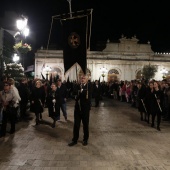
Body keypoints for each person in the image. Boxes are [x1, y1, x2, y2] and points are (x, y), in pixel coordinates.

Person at [68, 75, 92, 146]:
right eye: (81, 78)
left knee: (85, 124)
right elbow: (72, 94)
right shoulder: (77, 86)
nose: (82, 79)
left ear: (87, 79)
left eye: (84, 78)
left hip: (85, 109)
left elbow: (88, 95)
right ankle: (75, 139)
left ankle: (85, 139)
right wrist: (76, 95)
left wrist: (80, 93)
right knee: (76, 125)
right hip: (78, 108)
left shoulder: (89, 86)